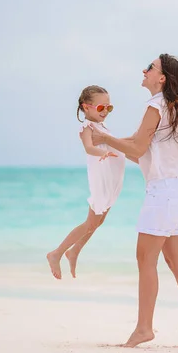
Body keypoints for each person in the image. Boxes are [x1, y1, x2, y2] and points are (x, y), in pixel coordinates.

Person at [90, 54, 178, 348]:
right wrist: (107, 141)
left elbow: (138, 146)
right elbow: (136, 151)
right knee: (177, 261)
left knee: (146, 259)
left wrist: (101, 137)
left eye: (150, 68)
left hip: (163, 193)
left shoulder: (155, 106)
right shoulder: (173, 108)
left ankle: (144, 328)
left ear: (162, 78)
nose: (144, 71)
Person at [46, 85, 125, 279]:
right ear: (86, 107)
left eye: (109, 107)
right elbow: (89, 148)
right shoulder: (87, 127)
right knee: (91, 222)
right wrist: (104, 152)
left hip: (112, 180)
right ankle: (56, 253)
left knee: (99, 221)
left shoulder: (103, 128)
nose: (105, 111)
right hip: (101, 179)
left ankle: (74, 252)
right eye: (101, 108)